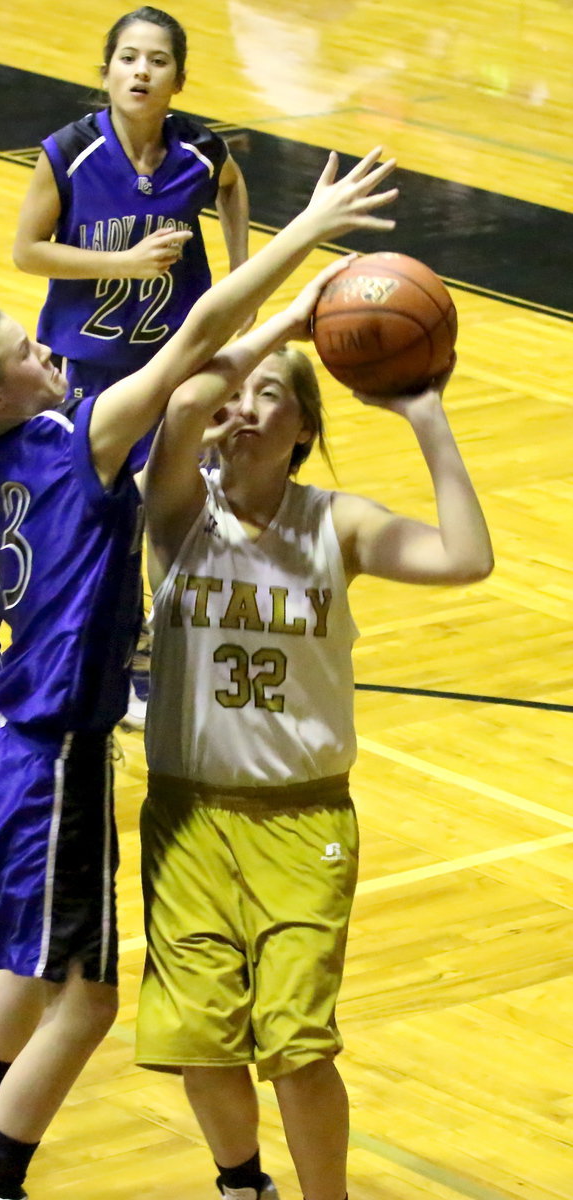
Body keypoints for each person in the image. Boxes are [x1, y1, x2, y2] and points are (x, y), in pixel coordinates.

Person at [0, 149, 394, 1200]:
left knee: (39, 975)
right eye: (28, 349)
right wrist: (304, 236)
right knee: (87, 1001)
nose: (46, 348)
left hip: (16, 740)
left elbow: (193, 373)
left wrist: (284, 329)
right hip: (48, 753)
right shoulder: (72, 444)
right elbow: (193, 341)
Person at [134, 301, 492, 1198]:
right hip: (185, 814)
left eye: (270, 394)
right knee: (199, 1039)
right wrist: (255, 346)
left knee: (296, 1044)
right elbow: (179, 409)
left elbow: (466, 558)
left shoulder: (337, 524)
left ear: (303, 427)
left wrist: (425, 415)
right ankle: (240, 1184)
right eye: (234, 393)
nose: (245, 408)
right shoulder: (174, 511)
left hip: (302, 818)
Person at [12, 6, 251, 732]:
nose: (141, 71)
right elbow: (27, 251)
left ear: (179, 79)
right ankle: (82, 654)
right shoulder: (68, 153)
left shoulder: (200, 151)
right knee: (98, 520)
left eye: (157, 60)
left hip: (174, 364)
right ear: (108, 71)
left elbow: (232, 186)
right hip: (91, 371)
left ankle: (159, 662)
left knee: (172, 515)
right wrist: (121, 263)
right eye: (127, 58)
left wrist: (239, 276)